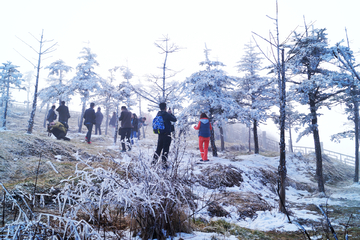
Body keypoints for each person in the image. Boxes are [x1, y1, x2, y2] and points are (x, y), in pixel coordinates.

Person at [153, 103, 177, 168]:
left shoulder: (158, 114)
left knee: (158, 149)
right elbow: (174, 119)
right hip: (167, 135)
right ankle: (164, 164)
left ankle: (153, 163)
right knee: (165, 150)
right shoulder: (166, 114)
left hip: (160, 135)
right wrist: (170, 113)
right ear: (165, 107)